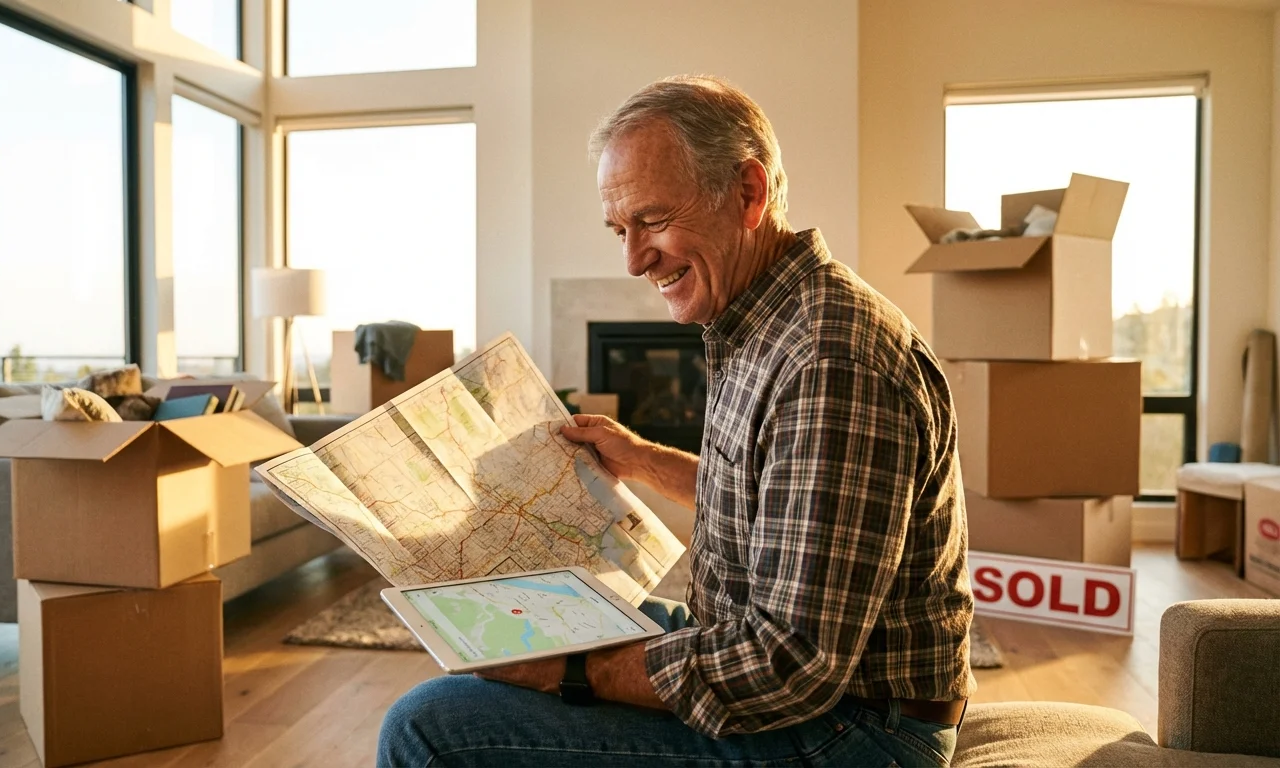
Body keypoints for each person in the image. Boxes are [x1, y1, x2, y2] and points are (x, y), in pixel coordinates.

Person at [378, 75, 975, 768]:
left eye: (654, 220)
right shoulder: (769, 318)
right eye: (619, 229)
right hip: (799, 677)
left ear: (748, 194)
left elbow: (790, 664)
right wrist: (637, 458)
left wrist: (574, 672)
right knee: (525, 629)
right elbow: (779, 507)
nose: (634, 259)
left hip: (855, 730)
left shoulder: (827, 358)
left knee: (428, 726)